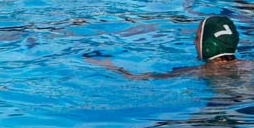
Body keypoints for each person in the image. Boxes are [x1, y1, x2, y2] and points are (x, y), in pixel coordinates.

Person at [86, 15, 242, 79]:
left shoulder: (200, 71)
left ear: (208, 45)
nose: (194, 42)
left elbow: (138, 79)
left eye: (197, 37)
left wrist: (109, 66)